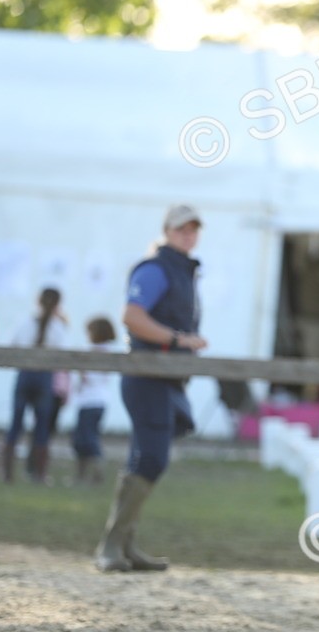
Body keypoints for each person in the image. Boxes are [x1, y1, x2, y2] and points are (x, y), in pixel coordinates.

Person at [94, 204, 207, 572]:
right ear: (167, 231)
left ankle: (123, 545)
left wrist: (180, 343)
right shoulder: (156, 268)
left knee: (145, 459)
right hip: (147, 377)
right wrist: (178, 339)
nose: (188, 235)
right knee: (152, 459)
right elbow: (132, 316)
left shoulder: (183, 271)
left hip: (166, 379)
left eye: (193, 229)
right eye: (181, 229)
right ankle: (111, 546)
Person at [1, 287, 67, 484]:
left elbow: (11, 344)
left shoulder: (25, 322)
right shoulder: (58, 326)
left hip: (25, 374)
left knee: (16, 423)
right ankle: (38, 474)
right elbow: (62, 355)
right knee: (42, 426)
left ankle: (7, 473)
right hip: (44, 377)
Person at [71, 317, 118, 486]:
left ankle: (92, 472)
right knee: (83, 438)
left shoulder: (94, 352)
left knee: (87, 438)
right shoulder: (110, 351)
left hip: (90, 400)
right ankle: (82, 475)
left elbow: (88, 376)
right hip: (98, 399)